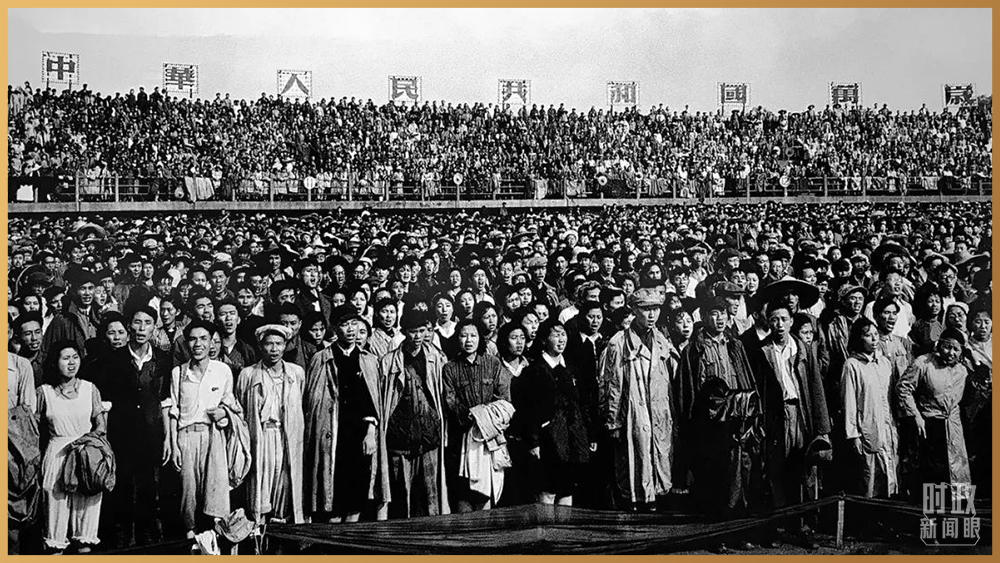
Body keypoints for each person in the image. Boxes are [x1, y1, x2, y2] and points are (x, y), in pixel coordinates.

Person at [676, 297, 762, 550]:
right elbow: (686, 393)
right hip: (710, 425)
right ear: (704, 317)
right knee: (713, 480)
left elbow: (748, 381)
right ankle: (716, 537)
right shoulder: (694, 350)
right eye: (714, 313)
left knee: (740, 479)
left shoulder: (735, 345)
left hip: (737, 423)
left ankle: (738, 533)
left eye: (723, 312)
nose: (720, 318)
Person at [88, 306, 172, 548]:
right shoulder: (113, 360)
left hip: (152, 437)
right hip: (121, 437)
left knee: (150, 492)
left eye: (147, 323)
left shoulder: (162, 360)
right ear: (129, 326)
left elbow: (165, 402)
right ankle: (123, 545)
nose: (141, 328)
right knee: (122, 492)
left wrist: (167, 438)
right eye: (137, 322)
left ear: (154, 328)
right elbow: (105, 405)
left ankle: (148, 545)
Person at [598, 287, 676, 511]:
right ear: (634, 310)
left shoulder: (661, 339)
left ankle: (658, 499)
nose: (652, 314)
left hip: (659, 409)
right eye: (646, 309)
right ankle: (638, 503)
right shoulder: (618, 343)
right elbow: (611, 385)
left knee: (661, 456)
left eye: (656, 309)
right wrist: (613, 420)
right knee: (636, 458)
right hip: (634, 409)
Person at [302, 305, 381, 523]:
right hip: (332, 434)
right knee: (332, 491)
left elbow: (373, 401)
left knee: (358, 489)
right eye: (345, 325)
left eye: (354, 323)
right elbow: (312, 402)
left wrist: (370, 432)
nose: (351, 329)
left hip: (359, 435)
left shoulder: (368, 360)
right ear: (336, 328)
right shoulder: (321, 359)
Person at [378, 309, 451, 519]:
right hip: (400, 437)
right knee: (401, 496)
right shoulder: (389, 361)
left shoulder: (436, 358)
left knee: (429, 495)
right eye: (413, 332)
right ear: (404, 332)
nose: (418, 336)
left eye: (422, 331)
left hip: (428, 436)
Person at [37, 340, 106, 554]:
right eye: (65, 358)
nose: (71, 363)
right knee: (55, 522)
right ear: (55, 362)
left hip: (86, 458)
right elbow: (33, 429)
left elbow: (101, 425)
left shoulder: (90, 389)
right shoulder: (44, 392)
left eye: (75, 357)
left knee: (85, 527)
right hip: (56, 457)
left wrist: (88, 444)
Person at [236, 324, 306, 525]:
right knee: (261, 482)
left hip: (287, 435)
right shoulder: (248, 374)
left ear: (285, 346)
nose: (274, 349)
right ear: (260, 346)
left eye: (279, 344)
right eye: (269, 344)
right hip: (262, 435)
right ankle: (260, 529)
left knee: (285, 482)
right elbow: (241, 408)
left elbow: (300, 401)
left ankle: (282, 530)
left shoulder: (296, 373)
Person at [442, 319, 513, 512]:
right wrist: (473, 416)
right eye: (463, 335)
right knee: (464, 492)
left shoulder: (493, 363)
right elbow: (451, 402)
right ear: (457, 338)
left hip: (489, 438)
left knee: (486, 492)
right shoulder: (450, 368)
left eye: (473, 335)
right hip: (462, 437)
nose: (468, 340)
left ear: (480, 338)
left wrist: (485, 418)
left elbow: (504, 400)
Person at [520, 320, 590, 506]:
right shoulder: (534, 371)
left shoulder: (571, 369)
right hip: (547, 440)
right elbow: (528, 411)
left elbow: (581, 403)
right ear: (544, 340)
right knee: (547, 491)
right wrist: (534, 442)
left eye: (563, 334)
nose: (561, 339)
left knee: (567, 490)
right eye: (556, 335)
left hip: (572, 440)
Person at [896, 328, 971, 495]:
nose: (951, 353)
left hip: (953, 426)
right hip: (930, 424)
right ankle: (934, 510)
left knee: (959, 469)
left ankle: (962, 509)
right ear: (939, 345)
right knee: (934, 474)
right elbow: (903, 388)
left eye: (956, 349)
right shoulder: (923, 363)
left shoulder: (963, 369)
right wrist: (916, 415)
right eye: (947, 347)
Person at [840, 319, 898, 498]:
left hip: (887, 428)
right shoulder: (852, 365)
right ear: (859, 338)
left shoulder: (885, 363)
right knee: (870, 481)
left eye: (875, 335)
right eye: (867, 335)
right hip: (867, 429)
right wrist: (854, 435)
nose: (873, 340)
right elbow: (849, 402)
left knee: (890, 477)